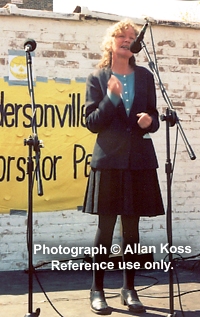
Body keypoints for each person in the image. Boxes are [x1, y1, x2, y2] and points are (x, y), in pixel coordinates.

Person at [83, 19, 165, 315]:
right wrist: (111, 97)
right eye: (122, 35)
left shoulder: (144, 76)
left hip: (138, 161)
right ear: (111, 41)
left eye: (132, 36)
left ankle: (129, 289)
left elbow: (154, 116)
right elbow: (92, 123)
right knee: (105, 229)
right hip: (109, 161)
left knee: (132, 230)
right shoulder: (98, 76)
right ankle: (97, 289)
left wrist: (150, 122)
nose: (128, 39)